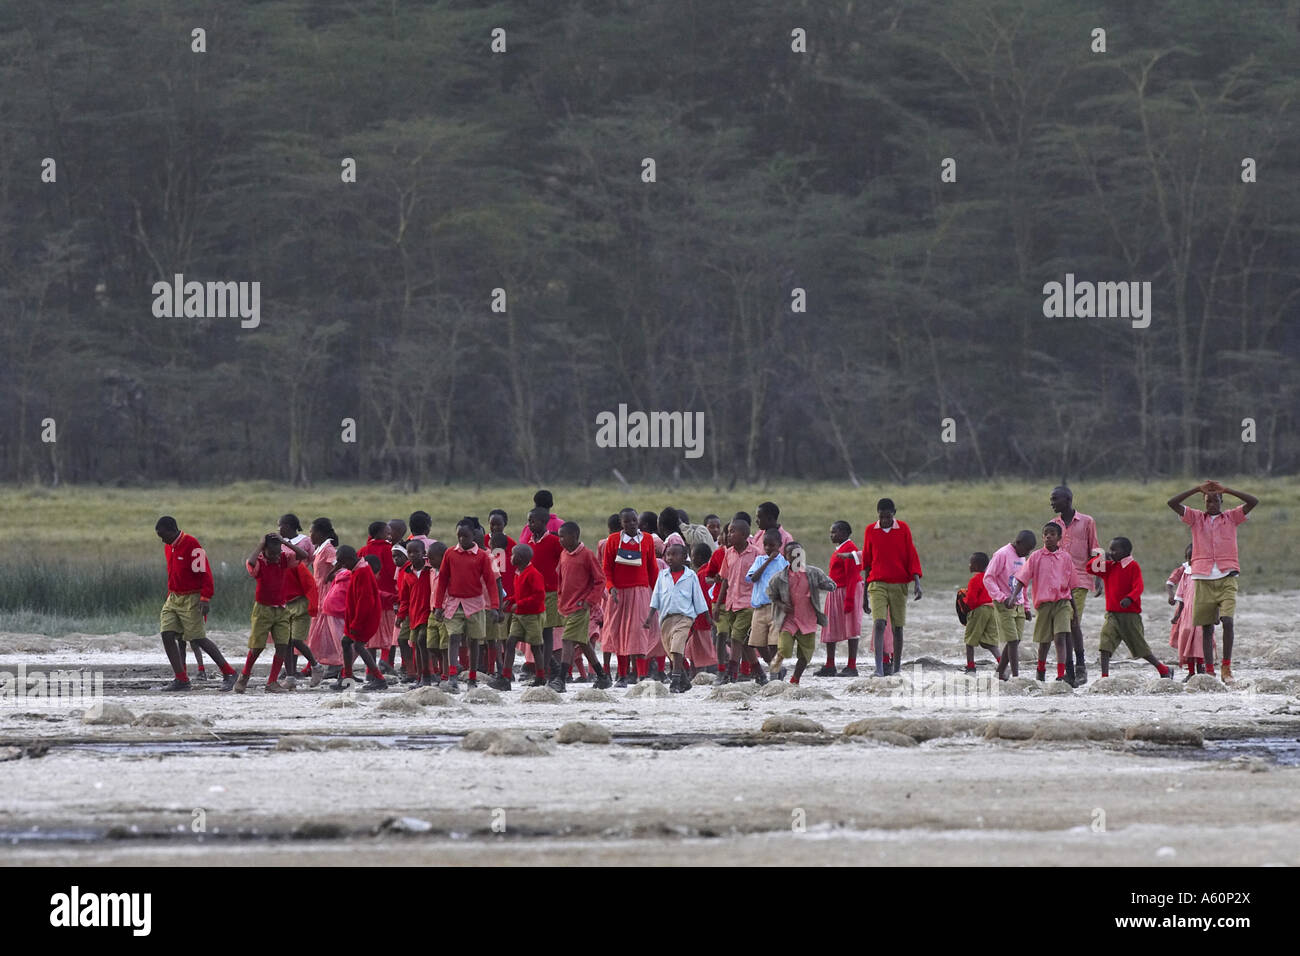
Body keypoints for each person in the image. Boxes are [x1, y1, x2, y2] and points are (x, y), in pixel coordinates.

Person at [1166, 480, 1258, 684]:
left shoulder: (1232, 517)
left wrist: (1227, 489)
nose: (1211, 504)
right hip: (1202, 578)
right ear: (1204, 503)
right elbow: (1172, 503)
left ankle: (1226, 667)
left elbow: (1254, 501)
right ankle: (1209, 671)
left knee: (1227, 621)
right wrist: (1197, 489)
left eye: (1216, 500)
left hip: (1227, 576)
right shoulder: (1196, 518)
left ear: (1221, 501)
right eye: (1208, 501)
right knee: (1206, 627)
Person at [153, 516, 236, 691]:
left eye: (162, 535)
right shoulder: (169, 547)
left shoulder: (192, 544)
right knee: (166, 634)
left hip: (193, 597)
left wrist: (205, 598)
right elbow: (172, 573)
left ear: (171, 530)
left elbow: (205, 573)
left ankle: (229, 673)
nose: (161, 540)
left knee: (198, 638)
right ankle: (181, 679)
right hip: (173, 597)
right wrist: (170, 594)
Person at [432, 521, 502, 692]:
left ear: (474, 536)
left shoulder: (482, 556)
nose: (462, 539)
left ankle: (472, 677)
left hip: (475, 603)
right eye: (459, 536)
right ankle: (453, 676)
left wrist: (494, 606)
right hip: (454, 603)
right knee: (454, 637)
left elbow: (491, 582)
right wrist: (438, 605)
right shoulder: (450, 554)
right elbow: (442, 582)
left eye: (466, 536)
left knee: (474, 641)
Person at [1088, 537, 1172, 678]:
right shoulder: (1109, 566)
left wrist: (1129, 598)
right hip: (1112, 615)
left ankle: (1163, 669)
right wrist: (1102, 556)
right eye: (1110, 549)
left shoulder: (1133, 566)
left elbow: (1139, 587)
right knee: (1105, 644)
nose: (1112, 552)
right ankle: (1104, 677)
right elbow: (1090, 568)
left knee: (1140, 648)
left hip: (1130, 616)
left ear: (1126, 551)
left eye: (1115, 549)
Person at [1007, 523, 1076, 685]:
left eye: (1052, 534)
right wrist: (1013, 597)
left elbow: (1071, 585)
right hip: (1043, 605)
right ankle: (1041, 671)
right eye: (1045, 534)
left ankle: (1060, 675)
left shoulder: (1066, 558)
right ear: (1042, 537)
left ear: (1059, 538)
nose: (1048, 537)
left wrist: (1075, 610)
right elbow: (1022, 579)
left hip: (1062, 603)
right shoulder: (1036, 557)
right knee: (1044, 642)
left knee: (1060, 638)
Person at [862, 498, 923, 676]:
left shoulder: (903, 529)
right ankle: (879, 669)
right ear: (878, 514)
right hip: (877, 583)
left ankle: (897, 668)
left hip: (899, 584)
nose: (885, 520)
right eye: (882, 517)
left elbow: (911, 555)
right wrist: (865, 593)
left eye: (888, 517)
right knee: (879, 623)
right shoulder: (870, 530)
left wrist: (917, 583)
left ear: (894, 513)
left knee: (898, 627)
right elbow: (867, 561)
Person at [1049, 486, 1102, 685]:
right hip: (1058, 582)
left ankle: (1080, 666)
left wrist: (1099, 576)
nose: (1052, 503)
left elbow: (1095, 547)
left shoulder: (1087, 521)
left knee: (1072, 621)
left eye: (1055, 499)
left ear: (1068, 499)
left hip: (1080, 578)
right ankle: (1068, 669)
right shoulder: (1053, 524)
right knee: (1062, 626)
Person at [601, 507, 659, 687]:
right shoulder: (612, 540)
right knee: (618, 633)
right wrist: (610, 588)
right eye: (627, 521)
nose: (632, 524)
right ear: (621, 523)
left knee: (638, 632)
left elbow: (652, 569)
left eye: (634, 520)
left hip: (641, 592)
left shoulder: (647, 539)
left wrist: (657, 593)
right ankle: (622, 675)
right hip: (618, 594)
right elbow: (607, 568)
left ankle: (641, 675)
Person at [234, 532, 298, 694]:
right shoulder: (260, 563)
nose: (276, 557)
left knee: (282, 645)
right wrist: (261, 544)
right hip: (263, 609)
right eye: (272, 553)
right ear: (264, 551)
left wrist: (284, 542)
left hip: (282, 609)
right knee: (257, 647)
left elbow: (303, 555)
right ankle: (244, 677)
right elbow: (250, 562)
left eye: (278, 553)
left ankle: (272, 682)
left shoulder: (283, 560)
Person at [644, 542, 710, 693]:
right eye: (668, 554)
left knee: (677, 646)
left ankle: (675, 681)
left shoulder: (690, 576)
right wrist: (649, 617)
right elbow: (656, 598)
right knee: (671, 651)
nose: (670, 558)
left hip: (684, 618)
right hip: (666, 619)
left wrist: (707, 617)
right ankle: (685, 681)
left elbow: (698, 598)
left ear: (684, 557)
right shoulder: (663, 576)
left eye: (674, 554)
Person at [553, 521, 611, 692]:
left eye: (563, 536)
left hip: (580, 608)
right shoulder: (564, 554)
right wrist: (560, 598)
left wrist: (589, 601)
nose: (560, 540)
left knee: (567, 640)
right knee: (583, 642)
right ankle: (602, 676)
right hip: (566, 606)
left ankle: (561, 680)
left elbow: (600, 580)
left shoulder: (587, 555)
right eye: (559, 536)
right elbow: (561, 579)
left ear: (575, 536)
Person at [767, 542, 835, 685]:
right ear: (786, 557)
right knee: (784, 648)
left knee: (806, 653)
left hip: (808, 619)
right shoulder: (779, 578)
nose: (796, 556)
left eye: (798, 553)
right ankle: (775, 671)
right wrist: (782, 605)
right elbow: (771, 595)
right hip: (789, 620)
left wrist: (825, 585)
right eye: (791, 554)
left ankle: (795, 679)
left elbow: (831, 584)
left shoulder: (813, 573)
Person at [714, 518, 765, 684]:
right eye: (728, 532)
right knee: (743, 643)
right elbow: (724, 580)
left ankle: (731, 674)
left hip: (748, 605)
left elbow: (763, 580)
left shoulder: (756, 554)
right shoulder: (728, 553)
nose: (729, 535)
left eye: (733, 532)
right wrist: (718, 605)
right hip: (731, 604)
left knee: (736, 637)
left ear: (744, 535)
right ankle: (760, 674)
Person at [490, 544, 546, 690]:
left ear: (520, 558)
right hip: (519, 615)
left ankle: (540, 677)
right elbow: (522, 593)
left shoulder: (533, 574)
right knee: (510, 642)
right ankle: (506, 678)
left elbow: (539, 596)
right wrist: (512, 599)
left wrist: (519, 604)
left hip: (532, 616)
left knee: (535, 646)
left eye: (513, 555)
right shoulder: (518, 572)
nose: (511, 558)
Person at [334, 548, 387, 691]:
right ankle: (347, 678)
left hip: (365, 617)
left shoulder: (363, 572)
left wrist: (356, 623)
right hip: (356, 616)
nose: (342, 566)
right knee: (346, 642)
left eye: (343, 563)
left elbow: (365, 601)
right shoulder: (359, 569)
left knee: (358, 645)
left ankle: (379, 679)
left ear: (349, 560)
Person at [986, 531, 1035, 680]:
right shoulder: (1001, 554)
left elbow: (1024, 583)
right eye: (1026, 549)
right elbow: (988, 578)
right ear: (1018, 543)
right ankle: (1016, 676)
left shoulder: (1022, 558)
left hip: (1019, 604)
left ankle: (1000, 673)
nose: (1027, 553)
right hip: (1004, 604)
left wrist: (1026, 607)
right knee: (1012, 641)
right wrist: (1002, 598)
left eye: (1029, 551)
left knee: (1017, 640)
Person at [818, 521, 863, 676]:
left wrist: (850, 600)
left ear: (844, 533)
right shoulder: (840, 549)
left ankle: (852, 666)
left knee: (851, 628)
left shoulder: (850, 550)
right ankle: (830, 665)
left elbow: (852, 576)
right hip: (835, 591)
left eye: (834, 532)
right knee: (829, 626)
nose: (831, 535)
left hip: (846, 591)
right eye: (831, 532)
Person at [525, 507, 565, 676]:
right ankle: (548, 665)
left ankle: (546, 669)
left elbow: (565, 561)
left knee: (547, 632)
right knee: (536, 634)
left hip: (549, 592)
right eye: (528, 521)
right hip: (534, 594)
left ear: (543, 522)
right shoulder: (529, 543)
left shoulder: (554, 542)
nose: (529, 524)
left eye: (532, 521)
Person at [1167, 544, 1215, 680]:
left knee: (1200, 641)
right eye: (1188, 558)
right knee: (1187, 639)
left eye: (1192, 559)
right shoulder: (1186, 574)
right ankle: (1191, 671)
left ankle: (1201, 669)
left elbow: (1213, 595)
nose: (1189, 562)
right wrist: (1177, 616)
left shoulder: (1207, 575)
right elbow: (1181, 597)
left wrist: (1215, 613)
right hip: (1187, 615)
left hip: (1202, 612)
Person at [304, 518, 343, 680]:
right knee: (320, 631)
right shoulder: (319, 548)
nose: (310, 535)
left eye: (311, 532)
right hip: (319, 593)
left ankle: (337, 664)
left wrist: (330, 575)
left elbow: (340, 563)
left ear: (320, 533)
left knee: (331, 631)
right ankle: (322, 664)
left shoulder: (328, 548)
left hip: (327, 594)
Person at [746, 528, 790, 669]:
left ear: (779, 545)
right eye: (765, 545)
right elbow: (753, 578)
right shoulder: (759, 560)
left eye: (772, 545)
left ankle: (775, 670)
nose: (768, 548)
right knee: (757, 643)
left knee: (774, 643)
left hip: (776, 608)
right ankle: (773, 665)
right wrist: (768, 561)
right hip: (759, 608)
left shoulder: (784, 563)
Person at [397, 539, 434, 687]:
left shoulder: (430, 570)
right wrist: (400, 616)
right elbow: (404, 599)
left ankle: (428, 675)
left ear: (423, 553)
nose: (412, 555)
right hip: (414, 615)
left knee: (422, 640)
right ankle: (420, 677)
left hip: (429, 613)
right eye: (409, 552)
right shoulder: (407, 573)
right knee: (416, 645)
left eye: (416, 552)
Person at [958, 553, 1002, 675]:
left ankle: (971, 668)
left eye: (971, 563)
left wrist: (964, 600)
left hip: (979, 611)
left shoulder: (975, 580)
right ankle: (1003, 664)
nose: (969, 565)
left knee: (970, 641)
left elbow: (971, 601)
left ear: (976, 566)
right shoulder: (991, 578)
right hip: (992, 610)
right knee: (991, 642)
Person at [686, 541, 719, 674]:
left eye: (692, 556)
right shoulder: (711, 572)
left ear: (698, 557)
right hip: (712, 617)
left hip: (701, 620)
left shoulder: (700, 575)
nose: (691, 559)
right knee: (708, 647)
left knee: (701, 650)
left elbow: (699, 598)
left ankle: (700, 674)